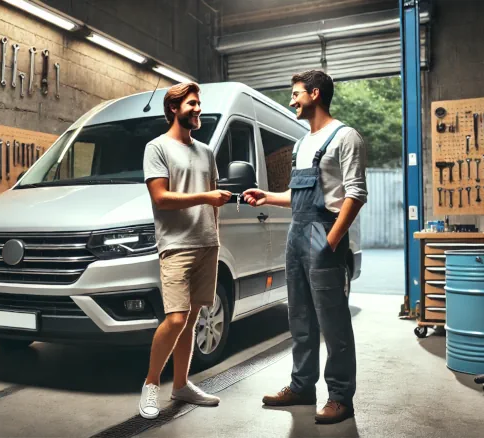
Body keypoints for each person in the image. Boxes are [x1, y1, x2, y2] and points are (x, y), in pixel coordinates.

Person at [242, 70, 367, 424]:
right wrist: (267, 196)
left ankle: (341, 396)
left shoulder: (346, 137)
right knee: (299, 317)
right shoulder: (301, 143)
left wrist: (331, 242)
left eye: (296, 94)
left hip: (323, 233)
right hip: (296, 234)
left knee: (333, 321)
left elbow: (355, 195)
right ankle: (302, 386)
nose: (292, 100)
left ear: (315, 94)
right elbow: (297, 196)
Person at [138, 82, 232, 420]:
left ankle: (181, 385)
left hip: (207, 244)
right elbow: (161, 198)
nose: (197, 109)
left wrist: (214, 233)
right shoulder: (157, 148)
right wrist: (206, 198)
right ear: (174, 108)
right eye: (192, 104)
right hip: (176, 247)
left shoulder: (206, 152)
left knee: (191, 320)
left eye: (199, 103)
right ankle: (151, 385)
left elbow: (215, 199)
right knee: (175, 318)